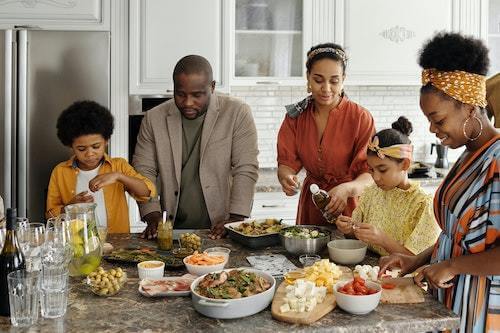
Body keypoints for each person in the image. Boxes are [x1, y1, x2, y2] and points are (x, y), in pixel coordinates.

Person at [379, 32, 500, 332]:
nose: (432, 129)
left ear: (470, 108)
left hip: (479, 308)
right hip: (450, 298)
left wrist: (452, 266)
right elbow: (457, 237)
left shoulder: (497, 162)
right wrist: (415, 260)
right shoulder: (469, 154)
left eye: (439, 119)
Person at [132, 55, 258, 240]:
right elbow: (144, 170)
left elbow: (246, 168)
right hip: (171, 230)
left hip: (221, 228)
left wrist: (236, 219)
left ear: (212, 87)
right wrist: (152, 214)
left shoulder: (237, 113)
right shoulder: (154, 118)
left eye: (197, 95)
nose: (188, 103)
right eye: (180, 94)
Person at [277, 43, 375, 225]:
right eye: (318, 80)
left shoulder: (360, 118)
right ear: (308, 78)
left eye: (334, 81)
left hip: (350, 207)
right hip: (311, 204)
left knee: (348, 252)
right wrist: (286, 178)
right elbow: (286, 163)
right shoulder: (295, 118)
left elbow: (370, 175)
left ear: (343, 79)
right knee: (309, 253)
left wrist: (347, 189)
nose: (326, 88)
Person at [336, 117, 441, 256]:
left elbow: (417, 260)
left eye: (383, 169)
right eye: (371, 170)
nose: (376, 177)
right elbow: (358, 240)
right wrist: (349, 231)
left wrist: (383, 240)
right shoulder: (371, 193)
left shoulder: (423, 205)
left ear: (405, 164)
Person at [46, 101, 156, 233]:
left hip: (116, 244)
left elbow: (147, 192)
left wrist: (118, 176)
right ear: (71, 146)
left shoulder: (118, 166)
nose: (90, 153)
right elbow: (50, 216)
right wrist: (70, 208)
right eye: (81, 149)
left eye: (96, 146)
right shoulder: (60, 172)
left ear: (106, 141)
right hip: (76, 244)